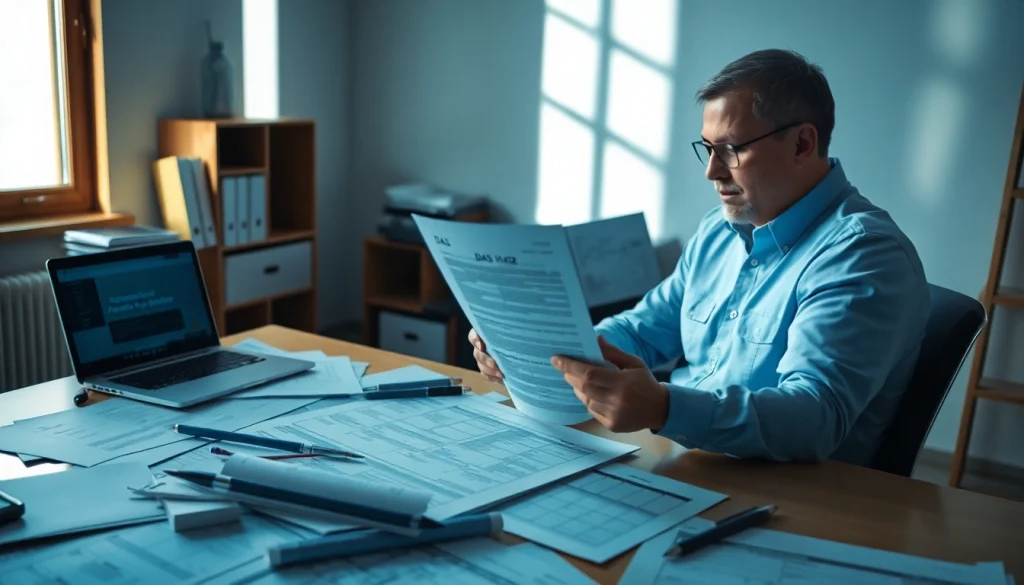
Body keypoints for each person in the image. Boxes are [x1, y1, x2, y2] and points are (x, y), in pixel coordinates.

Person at [469, 48, 930, 466]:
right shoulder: (720, 230)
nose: (711, 171)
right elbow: (642, 332)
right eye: (707, 149)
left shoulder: (863, 255)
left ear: (802, 144)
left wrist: (665, 407)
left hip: (791, 500)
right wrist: (538, 353)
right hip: (682, 461)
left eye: (730, 150)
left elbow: (814, 419)